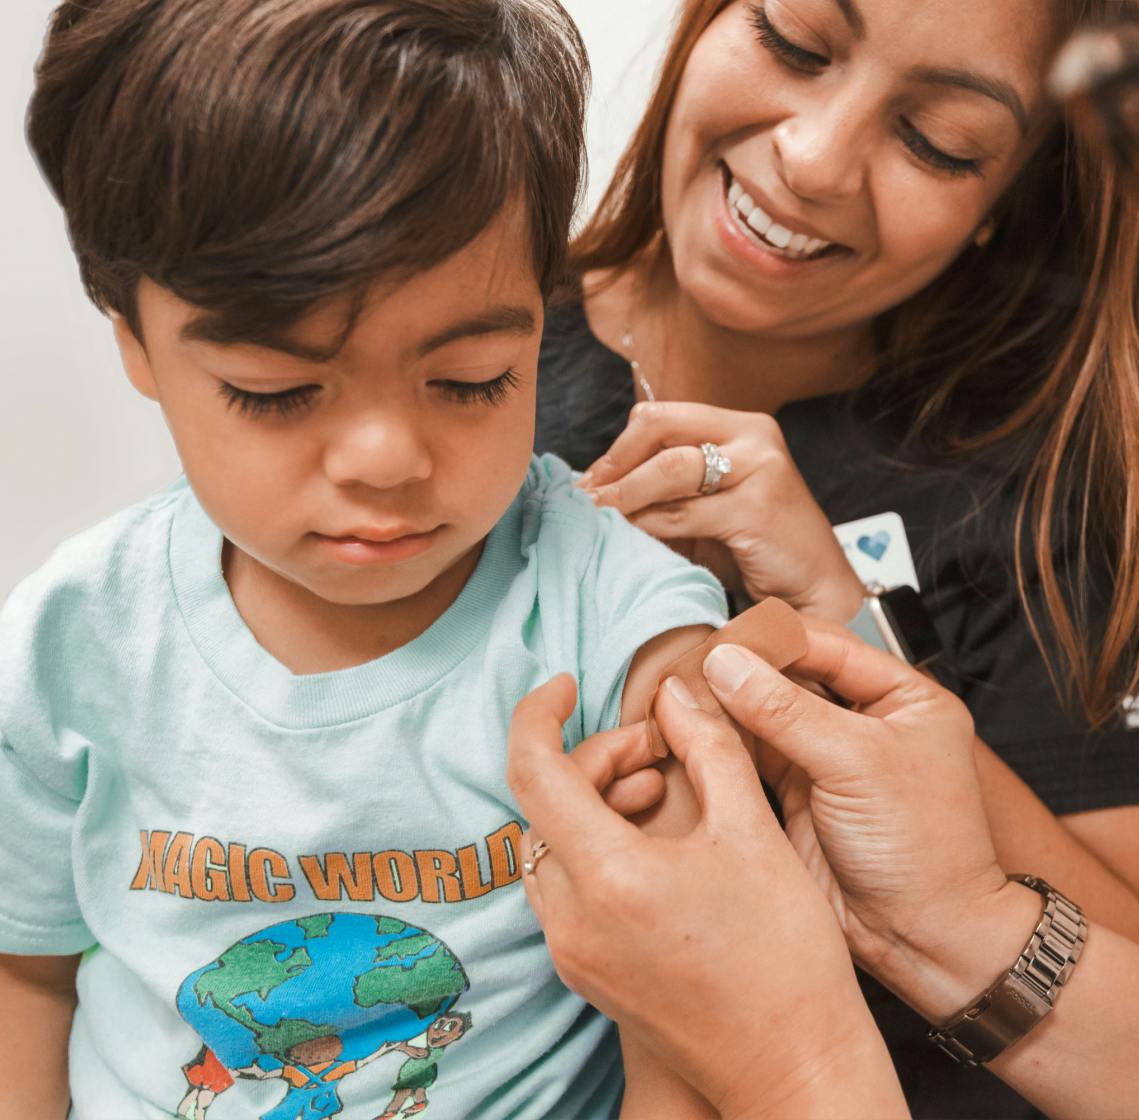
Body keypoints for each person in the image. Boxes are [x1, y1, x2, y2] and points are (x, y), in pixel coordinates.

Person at [508, 0, 1139, 1113]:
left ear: (1000, 209)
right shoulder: (475, 357)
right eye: (792, 40)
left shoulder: (1023, 492)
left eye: (937, 144)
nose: (813, 160)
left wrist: (841, 610)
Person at [0, 2, 732, 1117]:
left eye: (472, 377)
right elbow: (25, 967)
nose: (387, 460)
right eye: (277, 391)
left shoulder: (613, 619)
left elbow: (694, 1012)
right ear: (135, 342)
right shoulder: (74, 637)